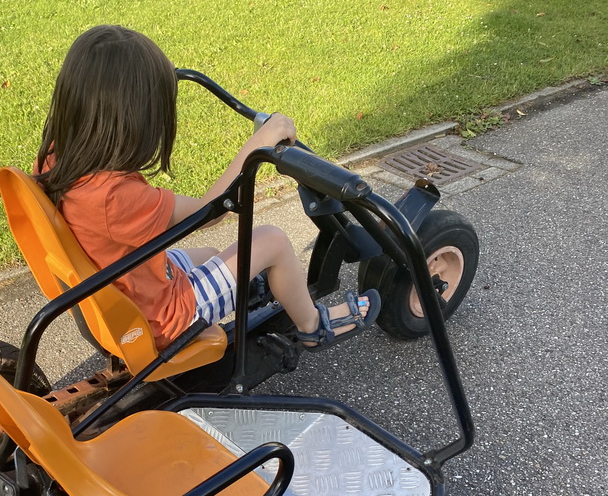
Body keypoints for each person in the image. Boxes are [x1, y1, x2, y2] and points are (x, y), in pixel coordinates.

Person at [35, 25, 380, 351]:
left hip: (126, 290)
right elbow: (210, 211)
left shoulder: (57, 158)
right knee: (272, 241)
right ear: (133, 121)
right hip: (162, 320)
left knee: (211, 254)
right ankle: (312, 326)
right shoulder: (114, 196)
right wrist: (258, 144)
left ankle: (260, 287)